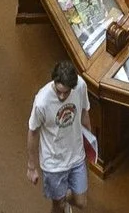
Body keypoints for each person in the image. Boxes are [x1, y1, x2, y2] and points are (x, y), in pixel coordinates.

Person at [27, 59, 90, 213]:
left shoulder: (80, 86)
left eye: (66, 92)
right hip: (53, 163)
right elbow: (33, 131)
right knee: (58, 206)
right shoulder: (42, 101)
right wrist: (31, 166)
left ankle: (63, 197)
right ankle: (60, 200)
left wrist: (90, 142)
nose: (62, 97)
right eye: (58, 91)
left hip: (76, 155)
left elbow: (84, 113)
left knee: (81, 202)